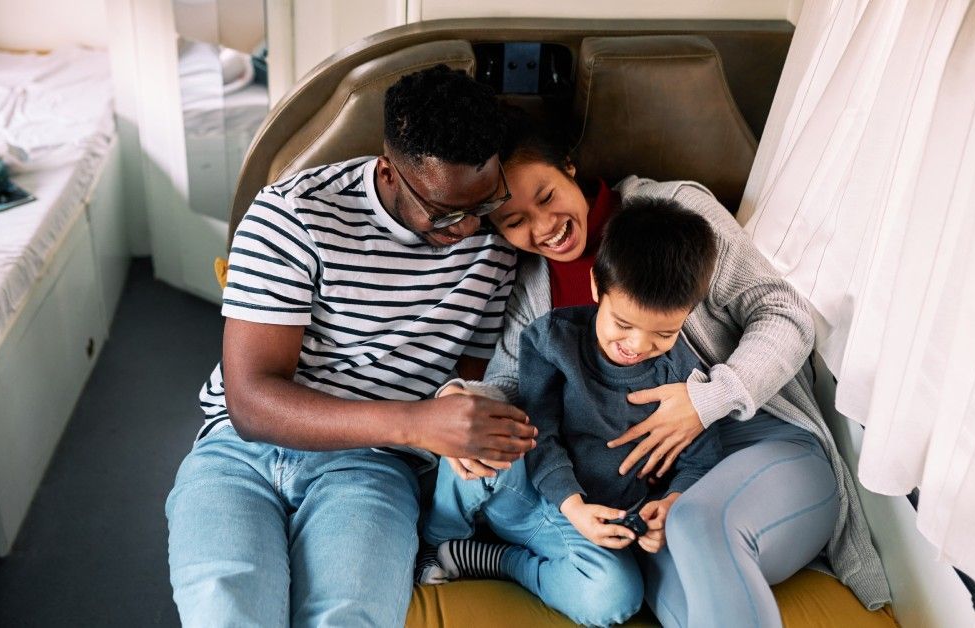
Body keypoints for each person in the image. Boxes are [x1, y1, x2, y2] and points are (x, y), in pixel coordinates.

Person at [433, 120, 891, 627]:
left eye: (545, 196)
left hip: (762, 443)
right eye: (515, 221)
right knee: (672, 597)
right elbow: (510, 385)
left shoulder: (677, 214)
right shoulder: (533, 293)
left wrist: (707, 401)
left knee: (698, 524)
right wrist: (457, 399)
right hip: (660, 503)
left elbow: (783, 312)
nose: (543, 226)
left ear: (569, 167)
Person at [164, 65, 539, 627]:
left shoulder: (498, 244)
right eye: (444, 214)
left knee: (349, 617)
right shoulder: (292, 214)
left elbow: (466, 378)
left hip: (372, 469)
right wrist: (416, 423)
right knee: (226, 609)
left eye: (484, 204)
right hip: (242, 456)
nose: (467, 231)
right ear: (389, 171)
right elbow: (250, 402)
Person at [421, 198, 724, 626]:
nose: (637, 346)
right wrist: (571, 504)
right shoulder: (552, 340)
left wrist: (671, 503)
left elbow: (702, 456)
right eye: (623, 324)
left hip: (592, 529)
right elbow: (538, 431)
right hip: (536, 494)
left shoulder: (683, 373)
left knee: (616, 598)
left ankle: (493, 560)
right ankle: (437, 539)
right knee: (476, 427)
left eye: (664, 333)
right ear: (597, 288)